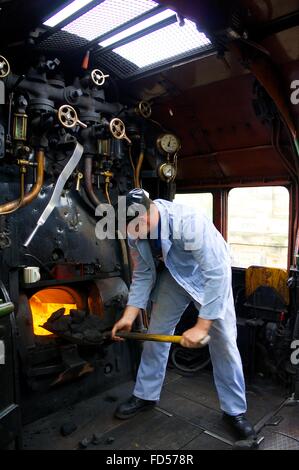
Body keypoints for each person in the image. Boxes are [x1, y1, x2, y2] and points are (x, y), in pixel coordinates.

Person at [111, 188, 256, 441]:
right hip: (175, 276)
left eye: (130, 229)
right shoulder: (134, 229)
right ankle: (145, 395)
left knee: (224, 343)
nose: (128, 236)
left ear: (144, 217)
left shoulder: (188, 223)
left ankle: (234, 412)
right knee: (156, 333)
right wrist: (129, 315)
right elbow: (144, 273)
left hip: (208, 278)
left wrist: (202, 326)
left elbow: (217, 273)